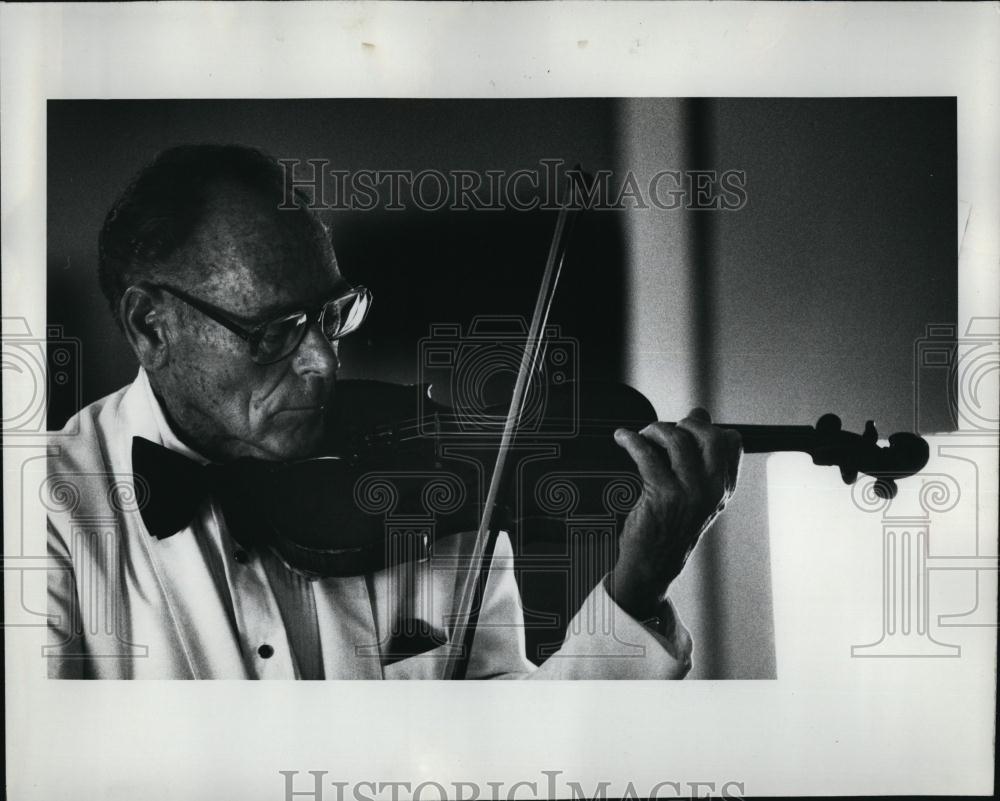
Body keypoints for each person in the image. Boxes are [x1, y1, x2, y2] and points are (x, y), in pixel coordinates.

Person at [46, 144, 741, 679]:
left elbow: (517, 755)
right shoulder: (40, 507)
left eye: (332, 315)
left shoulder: (423, 489)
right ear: (150, 325)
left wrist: (637, 587)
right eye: (274, 330)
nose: (322, 361)